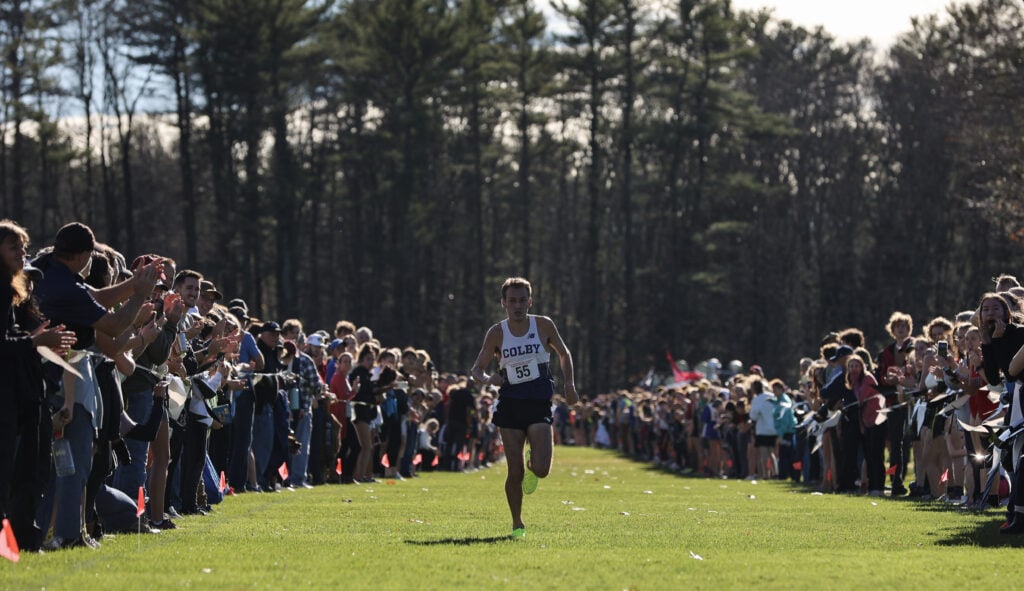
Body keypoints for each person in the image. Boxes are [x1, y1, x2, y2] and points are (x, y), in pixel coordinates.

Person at [471, 277, 578, 539]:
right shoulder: (497, 332)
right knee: (514, 471)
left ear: (530, 301)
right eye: (512, 301)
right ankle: (517, 522)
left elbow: (564, 354)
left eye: (522, 300)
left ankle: (534, 462)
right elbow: (477, 369)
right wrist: (488, 379)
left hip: (538, 400)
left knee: (540, 469)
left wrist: (570, 385)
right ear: (503, 303)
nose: (517, 306)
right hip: (510, 403)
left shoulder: (543, 325)